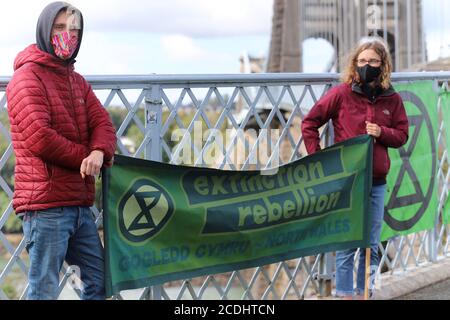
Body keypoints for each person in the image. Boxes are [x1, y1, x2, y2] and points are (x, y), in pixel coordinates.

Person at [6, 2, 116, 300]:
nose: (68, 35)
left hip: (79, 204)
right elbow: (39, 137)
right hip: (46, 206)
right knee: (43, 291)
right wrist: (86, 156)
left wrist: (98, 153)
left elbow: (103, 123)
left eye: (74, 30)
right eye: (60, 28)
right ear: (45, 30)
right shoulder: (27, 78)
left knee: (100, 279)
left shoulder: (76, 81)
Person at [301, 37, 409, 299]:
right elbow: (309, 124)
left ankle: (368, 293)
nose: (366, 65)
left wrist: (382, 132)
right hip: (348, 182)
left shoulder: (392, 99)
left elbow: (402, 135)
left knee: (372, 244)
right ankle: (345, 295)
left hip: (376, 182)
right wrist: (320, 160)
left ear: (382, 65)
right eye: (362, 61)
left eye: (372, 61)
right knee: (347, 242)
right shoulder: (341, 94)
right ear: (354, 64)